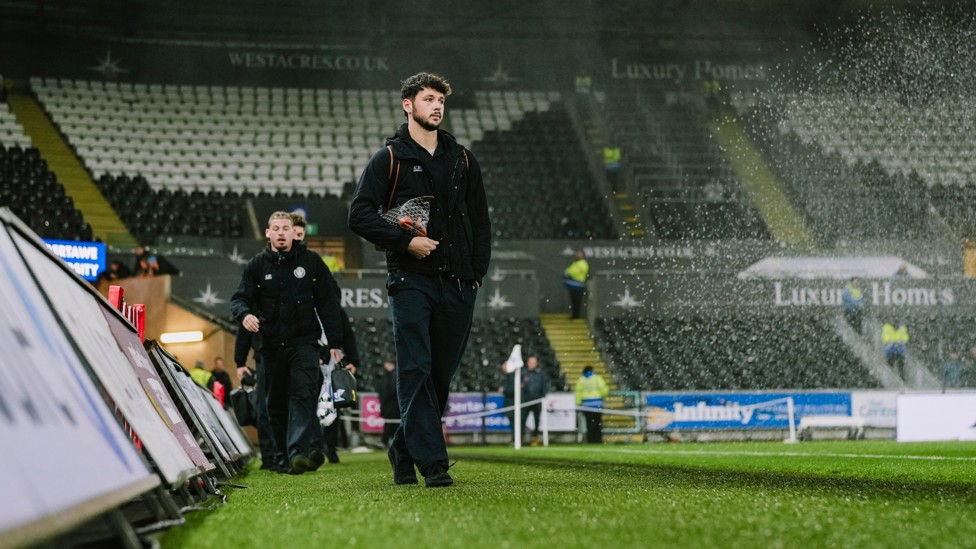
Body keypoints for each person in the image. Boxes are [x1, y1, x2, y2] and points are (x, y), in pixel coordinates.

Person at [348, 72, 491, 488]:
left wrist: (477, 271)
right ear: (408, 105)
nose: (437, 106)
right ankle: (433, 464)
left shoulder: (463, 159)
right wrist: (406, 242)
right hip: (410, 279)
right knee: (415, 368)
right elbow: (359, 215)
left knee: (439, 377)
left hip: (460, 281)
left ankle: (402, 446)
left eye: (441, 100)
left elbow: (480, 220)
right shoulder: (388, 159)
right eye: (428, 99)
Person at [230, 211, 345, 475]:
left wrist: (335, 341)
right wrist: (245, 314)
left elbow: (328, 303)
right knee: (275, 403)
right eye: (276, 228)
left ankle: (297, 452)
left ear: (295, 233)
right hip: (269, 347)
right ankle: (282, 455)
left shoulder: (312, 262)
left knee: (303, 395)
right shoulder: (256, 266)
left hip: (304, 343)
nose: (281, 233)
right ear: (268, 233)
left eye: (286, 228)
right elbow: (239, 299)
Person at [234, 327, 280, 470]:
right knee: (266, 408)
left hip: (272, 355)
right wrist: (240, 361)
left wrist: (240, 362)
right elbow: (245, 328)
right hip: (267, 356)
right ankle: (273, 455)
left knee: (266, 408)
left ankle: (273, 455)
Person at [575, 365, 609, 444]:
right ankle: (598, 440)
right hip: (597, 404)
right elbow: (604, 389)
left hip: (586, 405)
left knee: (589, 424)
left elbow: (578, 393)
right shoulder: (597, 378)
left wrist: (579, 402)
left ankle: (590, 440)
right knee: (597, 424)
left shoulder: (581, 380)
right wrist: (603, 396)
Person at [521, 355, 550, 446]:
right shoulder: (523, 374)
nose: (532, 364)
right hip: (525, 401)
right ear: (527, 363)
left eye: (534, 362)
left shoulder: (541, 374)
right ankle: (519, 438)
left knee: (537, 420)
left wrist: (542, 397)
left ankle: (535, 438)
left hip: (537, 401)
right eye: (530, 362)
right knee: (522, 420)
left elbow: (544, 387)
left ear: (536, 363)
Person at [376, 359, 399, 449]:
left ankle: (386, 442)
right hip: (390, 405)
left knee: (390, 425)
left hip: (391, 405)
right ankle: (390, 442)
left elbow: (389, 391)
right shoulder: (390, 375)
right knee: (392, 425)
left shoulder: (392, 376)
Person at [563, 250, 589, 319]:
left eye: (580, 254)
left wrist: (568, 274)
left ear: (583, 255)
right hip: (572, 284)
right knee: (573, 301)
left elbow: (575, 271)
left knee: (577, 301)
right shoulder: (575, 263)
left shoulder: (583, 263)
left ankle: (576, 315)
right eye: (577, 254)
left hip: (578, 285)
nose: (577, 255)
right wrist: (566, 273)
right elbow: (570, 270)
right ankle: (574, 314)